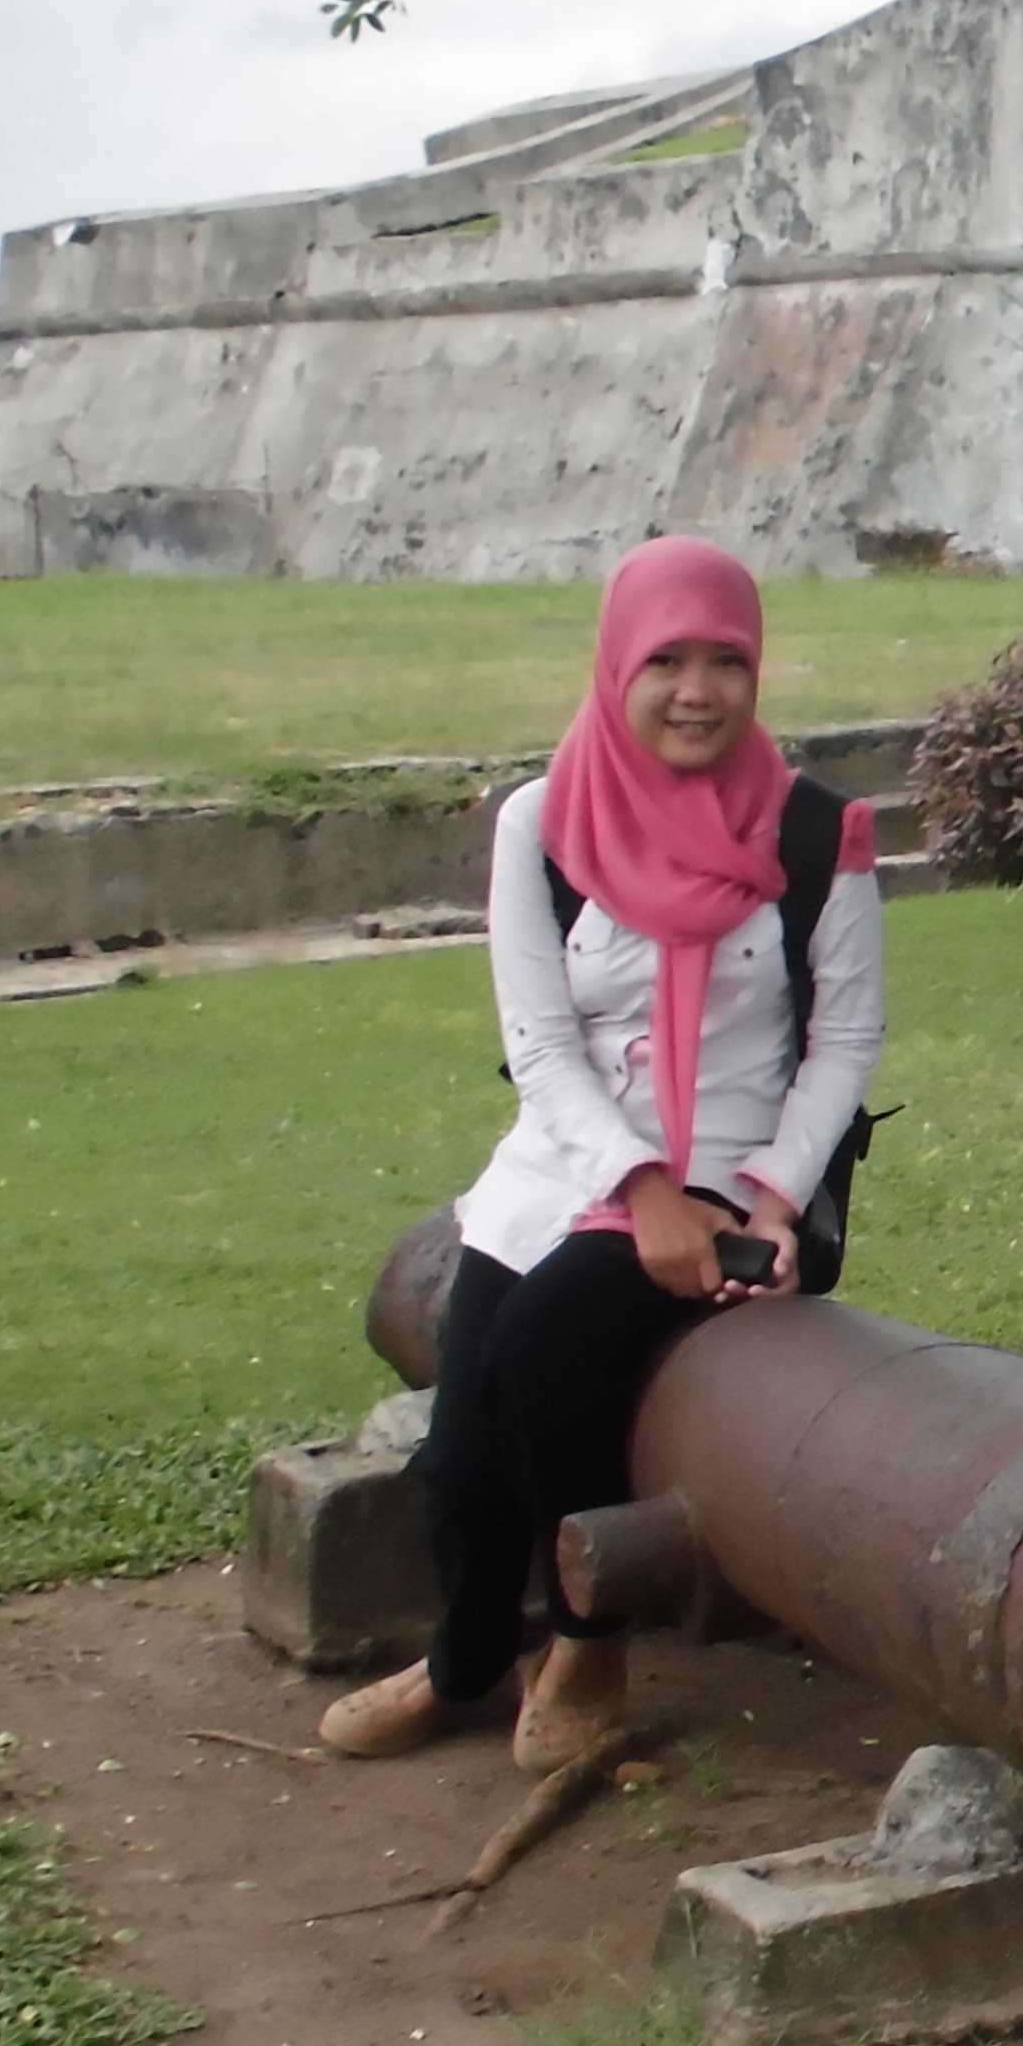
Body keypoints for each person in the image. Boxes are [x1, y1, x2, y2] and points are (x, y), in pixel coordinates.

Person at [320, 539, 883, 1764]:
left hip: (737, 1179)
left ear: (756, 669)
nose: (696, 691)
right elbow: (537, 1038)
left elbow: (844, 1042)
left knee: (542, 1352)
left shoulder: (817, 836)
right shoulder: (542, 823)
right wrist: (634, 1188)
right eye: (665, 660)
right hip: (569, 1173)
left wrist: (771, 1196)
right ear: (616, 665)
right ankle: (465, 1664)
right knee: (459, 1462)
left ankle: (588, 1634)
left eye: (725, 661)